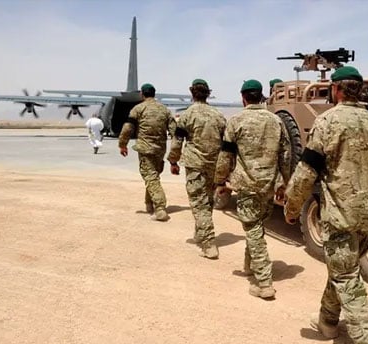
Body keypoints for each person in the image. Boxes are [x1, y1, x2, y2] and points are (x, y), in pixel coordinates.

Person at [283, 66, 368, 344]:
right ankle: (328, 322)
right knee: (344, 270)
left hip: (340, 218)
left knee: (347, 278)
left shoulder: (327, 122)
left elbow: (308, 171)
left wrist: (292, 206)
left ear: (336, 90)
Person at [214, 79, 291, 299]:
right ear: (261, 96)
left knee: (253, 229)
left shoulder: (236, 120)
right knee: (256, 226)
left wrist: (220, 181)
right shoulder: (276, 121)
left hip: (247, 185)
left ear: (243, 97)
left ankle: (264, 282)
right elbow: (286, 155)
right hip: (269, 184)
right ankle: (250, 265)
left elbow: (226, 155)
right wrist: (285, 182)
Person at [167, 79, 227, 259]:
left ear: (192, 93)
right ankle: (200, 233)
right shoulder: (218, 115)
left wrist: (173, 161)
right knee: (207, 200)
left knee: (198, 202)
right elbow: (226, 143)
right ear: (208, 93)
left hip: (195, 164)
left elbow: (178, 141)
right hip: (214, 164)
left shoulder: (187, 115)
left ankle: (208, 243)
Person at [118, 83, 176, 221]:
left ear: (142, 94)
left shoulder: (138, 108)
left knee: (150, 177)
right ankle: (149, 204)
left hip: (145, 149)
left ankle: (160, 208)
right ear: (154, 94)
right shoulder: (165, 110)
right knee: (153, 176)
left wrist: (122, 144)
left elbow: (127, 128)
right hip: (160, 149)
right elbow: (174, 131)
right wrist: (174, 151)